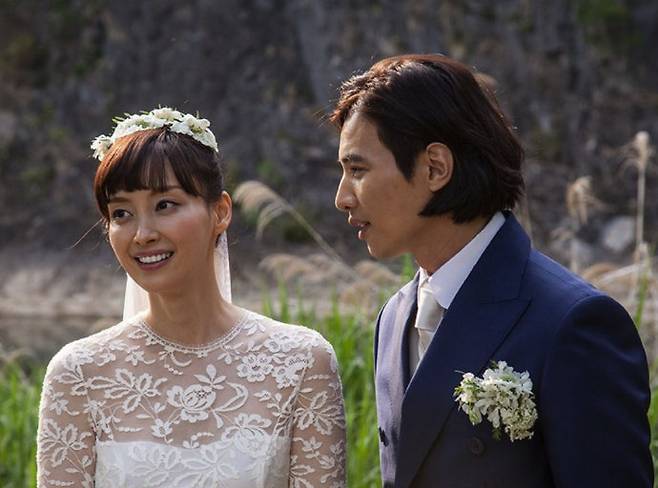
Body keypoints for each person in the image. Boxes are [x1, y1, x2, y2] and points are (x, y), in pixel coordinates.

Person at [331, 54, 652, 487]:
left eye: (357, 170)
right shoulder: (394, 317)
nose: (342, 198)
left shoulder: (575, 323)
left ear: (435, 168)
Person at [36, 108, 346, 488]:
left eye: (165, 205)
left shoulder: (302, 362)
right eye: (122, 213)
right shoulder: (78, 373)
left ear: (221, 212)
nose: (143, 234)